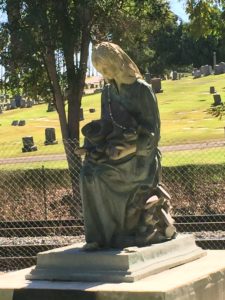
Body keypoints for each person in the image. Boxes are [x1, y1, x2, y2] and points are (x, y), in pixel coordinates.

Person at [79, 42, 175, 250]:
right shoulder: (107, 92)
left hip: (142, 157)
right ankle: (100, 236)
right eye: (101, 71)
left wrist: (129, 149)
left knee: (103, 174)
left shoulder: (143, 90)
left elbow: (153, 135)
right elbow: (108, 126)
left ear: (118, 61)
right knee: (88, 172)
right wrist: (93, 146)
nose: (105, 74)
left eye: (107, 68)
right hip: (116, 151)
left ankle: (124, 233)